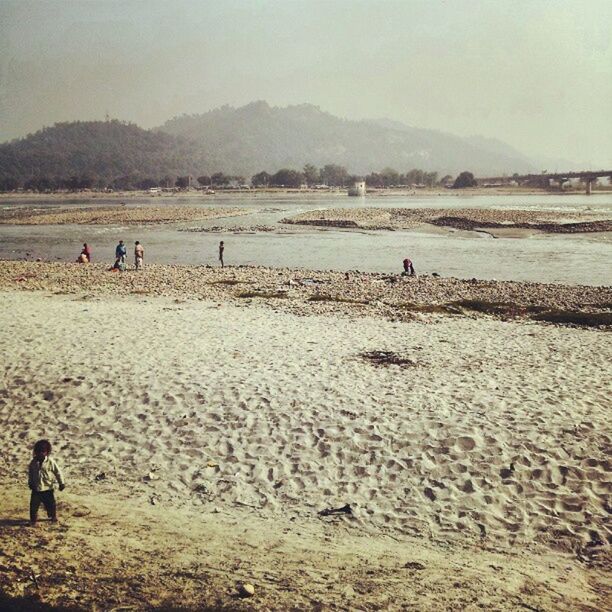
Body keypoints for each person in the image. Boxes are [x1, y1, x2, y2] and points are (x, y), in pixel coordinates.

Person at [28, 439, 65, 525]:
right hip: (36, 488)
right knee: (33, 505)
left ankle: (53, 517)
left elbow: (57, 472)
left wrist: (61, 483)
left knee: (51, 505)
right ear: (35, 452)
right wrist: (30, 482)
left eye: (43, 451)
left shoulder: (50, 462)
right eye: (38, 451)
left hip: (48, 488)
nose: (41, 453)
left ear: (47, 452)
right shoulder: (33, 462)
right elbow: (31, 473)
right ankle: (33, 520)